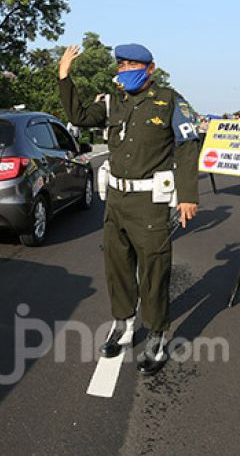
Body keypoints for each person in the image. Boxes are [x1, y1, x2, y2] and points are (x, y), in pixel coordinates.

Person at [58, 42, 200, 375]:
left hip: (150, 203)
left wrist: (188, 195)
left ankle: (156, 335)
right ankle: (122, 322)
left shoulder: (169, 101)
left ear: (150, 69)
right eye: (122, 65)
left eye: (134, 65)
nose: (126, 70)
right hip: (116, 201)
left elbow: (187, 146)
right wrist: (65, 77)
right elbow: (77, 116)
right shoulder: (112, 102)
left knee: (153, 270)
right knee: (118, 266)